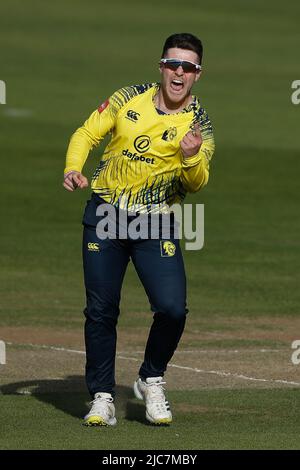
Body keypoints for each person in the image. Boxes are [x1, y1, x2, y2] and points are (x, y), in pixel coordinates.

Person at [63, 33, 215, 426]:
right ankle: (101, 396)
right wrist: (73, 166)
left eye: (188, 67)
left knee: (172, 309)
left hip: (155, 220)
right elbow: (86, 133)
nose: (179, 72)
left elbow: (197, 183)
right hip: (106, 215)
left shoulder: (199, 124)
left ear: (198, 74)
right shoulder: (127, 97)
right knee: (101, 309)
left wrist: (190, 156)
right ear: (161, 66)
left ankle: (150, 377)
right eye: (172, 64)